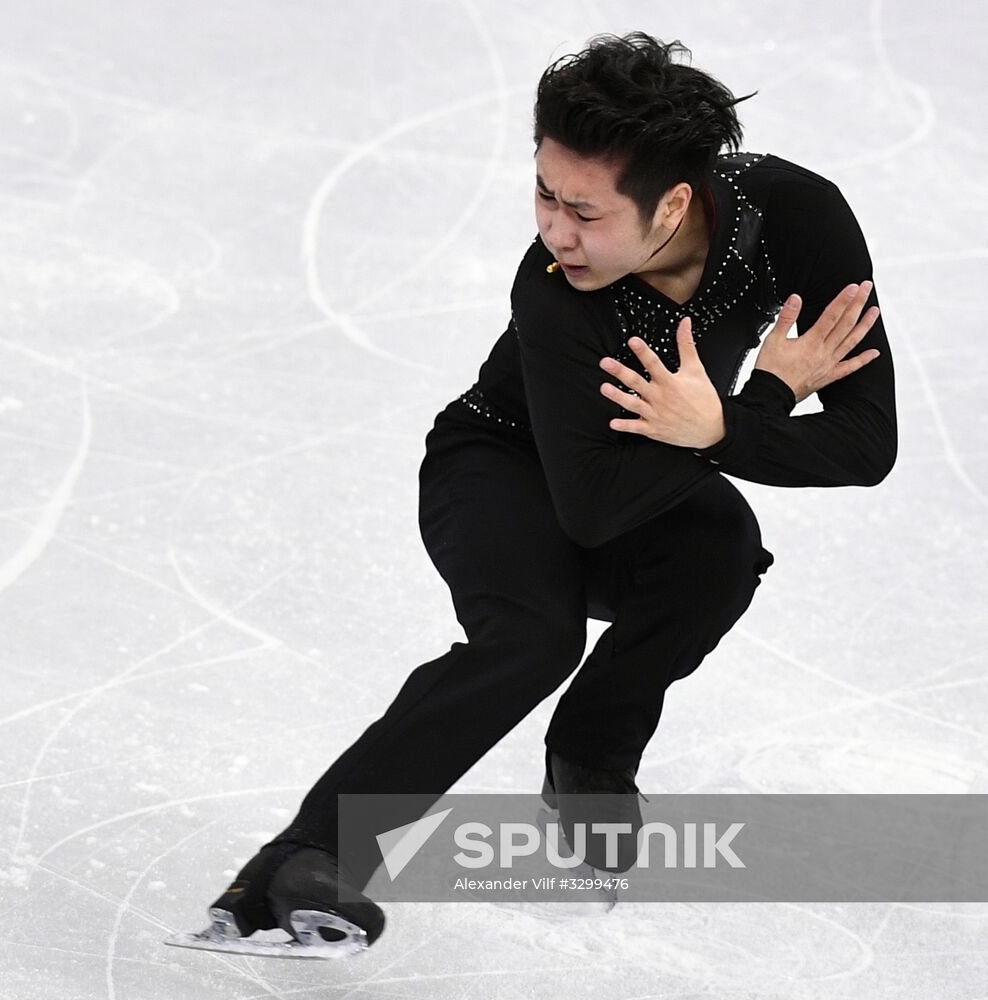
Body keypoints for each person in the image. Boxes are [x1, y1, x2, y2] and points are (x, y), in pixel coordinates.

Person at [175, 31, 897, 957]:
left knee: (716, 556)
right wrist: (758, 401)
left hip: (656, 461)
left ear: (673, 203)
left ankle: (591, 755)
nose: (557, 231)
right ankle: (305, 860)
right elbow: (592, 510)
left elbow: (867, 443)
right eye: (545, 195)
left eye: (585, 212)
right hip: (503, 462)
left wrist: (717, 425)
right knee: (532, 634)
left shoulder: (797, 219)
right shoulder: (558, 287)